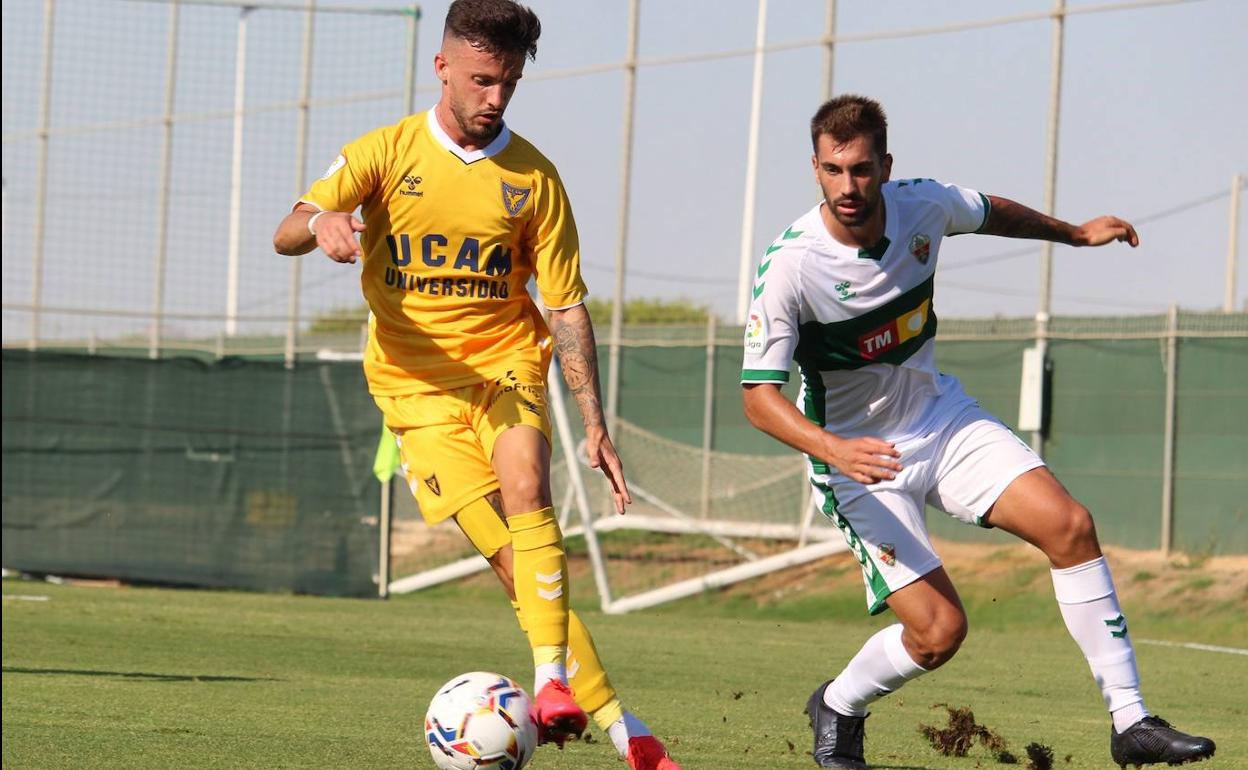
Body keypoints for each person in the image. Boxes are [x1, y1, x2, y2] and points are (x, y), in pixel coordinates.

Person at [740, 94, 1216, 769]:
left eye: (863, 169)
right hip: (858, 459)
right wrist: (834, 449)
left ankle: (1130, 720)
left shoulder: (922, 205)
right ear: (816, 170)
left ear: (886, 166)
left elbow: (992, 212)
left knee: (1070, 525)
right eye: (833, 170)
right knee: (939, 633)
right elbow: (758, 398)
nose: (850, 186)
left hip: (940, 418)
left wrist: (1074, 234)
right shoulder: (791, 265)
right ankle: (840, 704)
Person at [272, 2, 679, 768]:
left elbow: (565, 305)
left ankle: (551, 682)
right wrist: (322, 223)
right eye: (483, 80)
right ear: (444, 69)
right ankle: (633, 735)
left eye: (510, 83)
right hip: (415, 397)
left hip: (505, 368)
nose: (495, 98)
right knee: (513, 568)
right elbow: (288, 227)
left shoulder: (534, 178)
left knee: (528, 480)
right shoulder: (386, 152)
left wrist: (594, 421)